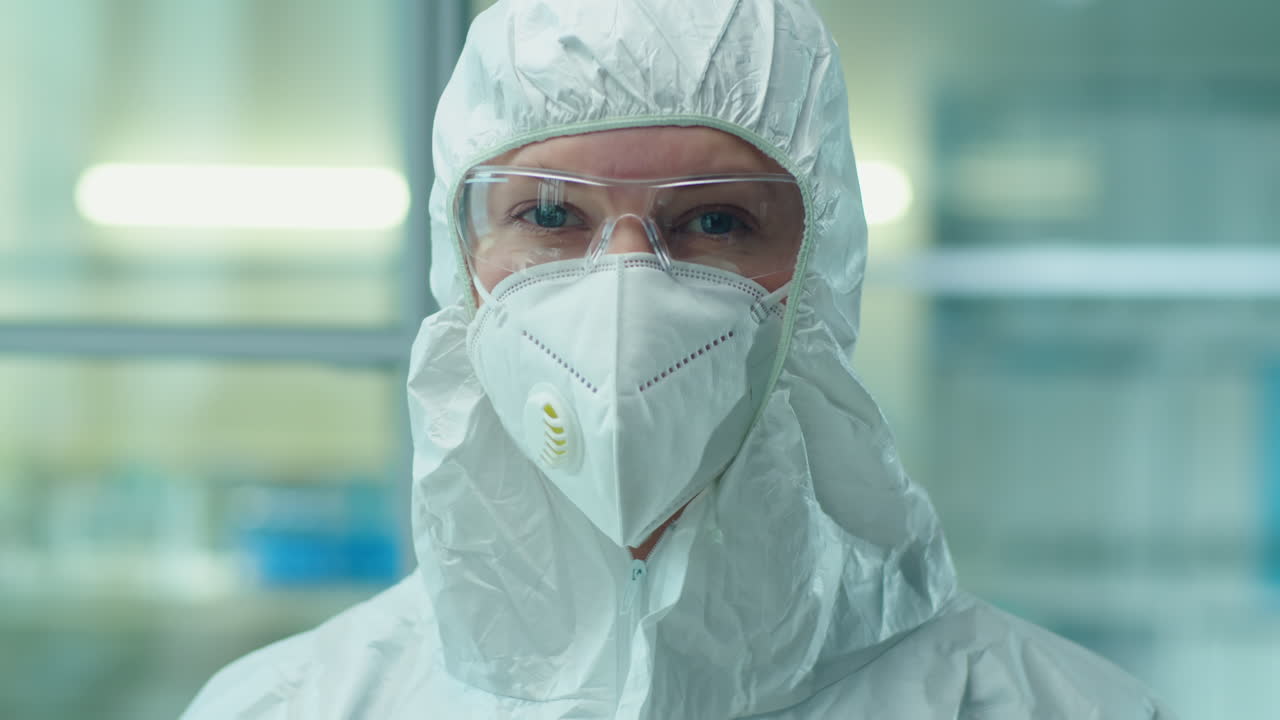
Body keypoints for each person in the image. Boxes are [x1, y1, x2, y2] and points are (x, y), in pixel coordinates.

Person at [182, 0, 1177, 717]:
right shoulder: (293, 704)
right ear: (463, 270)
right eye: (548, 215)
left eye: (712, 219)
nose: (626, 290)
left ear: (820, 272)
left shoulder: (1045, 704)